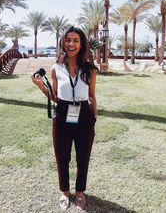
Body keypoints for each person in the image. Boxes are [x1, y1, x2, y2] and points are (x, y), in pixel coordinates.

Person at [31, 26, 97, 210]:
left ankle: (80, 192)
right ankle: (65, 192)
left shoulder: (90, 69)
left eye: (76, 40)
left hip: (84, 114)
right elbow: (55, 97)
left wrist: (93, 117)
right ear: (63, 43)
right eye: (68, 40)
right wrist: (40, 87)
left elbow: (91, 96)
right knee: (62, 157)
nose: (71, 44)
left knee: (83, 157)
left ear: (82, 44)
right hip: (62, 113)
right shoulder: (56, 68)